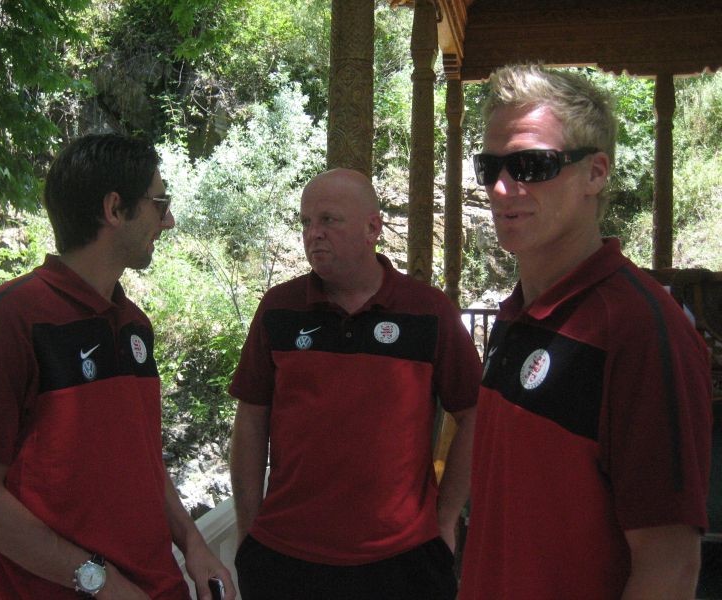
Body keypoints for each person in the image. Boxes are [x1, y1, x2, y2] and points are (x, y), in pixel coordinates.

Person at [0, 133, 236, 600]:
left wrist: (193, 543)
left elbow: (144, 459)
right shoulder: (11, 318)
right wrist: (101, 582)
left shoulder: (133, 324)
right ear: (115, 209)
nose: (169, 220)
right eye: (160, 204)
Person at [459, 64, 712, 599]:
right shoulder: (515, 315)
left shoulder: (640, 330)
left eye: (532, 165)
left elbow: (670, 567)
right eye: (490, 166)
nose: (502, 187)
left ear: (595, 173)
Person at [228, 167, 482, 600]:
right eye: (306, 221)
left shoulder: (428, 311)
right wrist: (248, 530)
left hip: (403, 562)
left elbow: (476, 413)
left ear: (373, 228)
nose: (313, 233)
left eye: (328, 219)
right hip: (286, 559)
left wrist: (445, 518)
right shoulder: (279, 308)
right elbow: (251, 418)